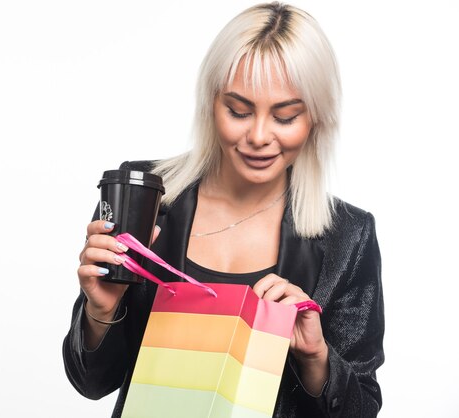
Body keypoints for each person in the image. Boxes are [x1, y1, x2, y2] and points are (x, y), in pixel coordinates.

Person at [63, 2, 384, 417]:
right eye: (239, 110)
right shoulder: (144, 198)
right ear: (211, 103)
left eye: (285, 116)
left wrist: (316, 357)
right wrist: (101, 311)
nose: (258, 136)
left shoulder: (348, 237)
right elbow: (91, 383)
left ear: (315, 119)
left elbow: (362, 409)